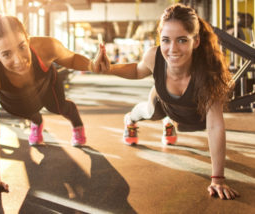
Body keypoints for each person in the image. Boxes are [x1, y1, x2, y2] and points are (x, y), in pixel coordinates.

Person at [95, 3, 239, 200]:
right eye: (165, 40)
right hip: (163, 101)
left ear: (195, 41)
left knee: (192, 122)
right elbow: (137, 71)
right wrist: (109, 68)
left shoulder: (207, 73)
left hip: (192, 114)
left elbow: (214, 126)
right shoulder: (154, 56)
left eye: (181, 40)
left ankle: (169, 122)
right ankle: (130, 119)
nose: (172, 49)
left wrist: (218, 179)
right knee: (148, 111)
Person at [0, 12, 102, 195]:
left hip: (46, 85)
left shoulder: (45, 46)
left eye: (22, 47)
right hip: (18, 101)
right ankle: (37, 122)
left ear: (28, 38)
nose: (19, 60)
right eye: (7, 54)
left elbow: (71, 58)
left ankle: (77, 123)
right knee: (28, 111)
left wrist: (92, 65)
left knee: (58, 107)